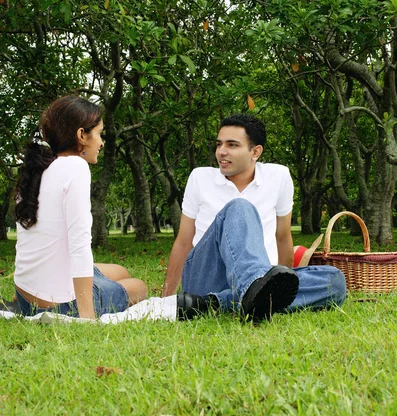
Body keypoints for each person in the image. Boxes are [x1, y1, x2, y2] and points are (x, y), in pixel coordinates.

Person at [162, 114, 346, 321]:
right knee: (239, 207)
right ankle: (253, 288)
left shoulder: (279, 177)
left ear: (255, 152)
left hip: (260, 278)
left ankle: (213, 303)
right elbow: (184, 241)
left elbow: (283, 237)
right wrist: (166, 298)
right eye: (219, 144)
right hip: (206, 275)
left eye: (232, 145)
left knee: (334, 280)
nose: (221, 152)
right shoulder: (200, 178)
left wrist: (287, 281)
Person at [13, 95, 148, 319]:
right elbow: (80, 245)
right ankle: (85, 303)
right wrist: (87, 315)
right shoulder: (75, 166)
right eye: (99, 133)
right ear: (81, 135)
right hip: (57, 304)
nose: (102, 142)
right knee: (139, 286)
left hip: (26, 296)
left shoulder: (36, 171)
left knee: (120, 271)